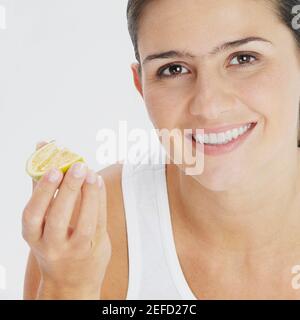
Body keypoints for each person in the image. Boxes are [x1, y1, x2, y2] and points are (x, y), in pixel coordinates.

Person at [23, 0, 300, 299]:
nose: (209, 106)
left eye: (243, 58)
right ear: (141, 86)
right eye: (174, 69)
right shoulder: (85, 235)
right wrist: (68, 287)